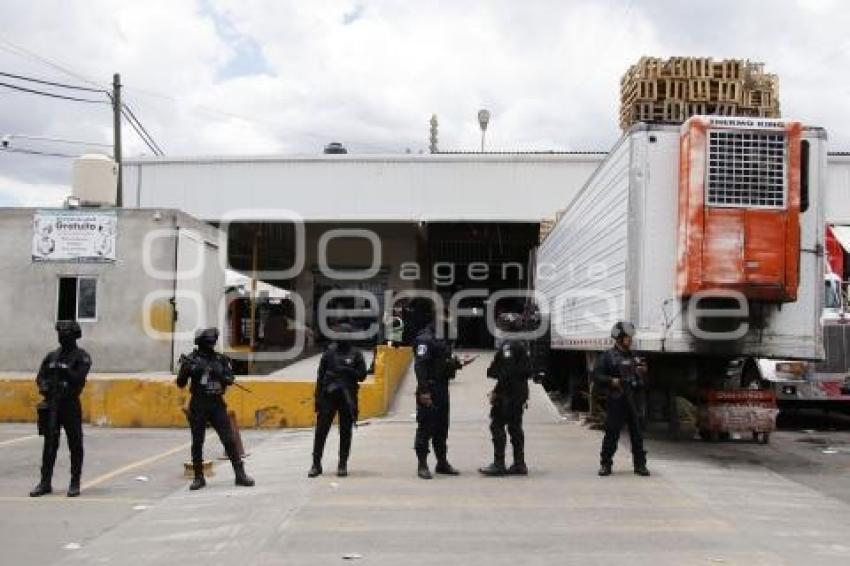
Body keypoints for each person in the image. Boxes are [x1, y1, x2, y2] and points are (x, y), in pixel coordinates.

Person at [177, 327, 254, 490]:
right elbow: (180, 383)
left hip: (216, 403)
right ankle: (199, 477)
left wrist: (223, 376)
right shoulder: (191, 360)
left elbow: (230, 378)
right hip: (198, 403)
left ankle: (240, 474)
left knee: (229, 439)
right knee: (197, 442)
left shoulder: (220, 359)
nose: (211, 344)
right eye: (209, 342)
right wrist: (189, 370)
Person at [30, 321, 91, 498]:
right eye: (60, 333)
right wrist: (45, 386)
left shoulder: (82, 356)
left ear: (75, 335)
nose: (62, 336)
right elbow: (40, 377)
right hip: (52, 404)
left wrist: (64, 371)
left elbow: (79, 378)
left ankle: (74, 482)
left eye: (66, 333)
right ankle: (45, 482)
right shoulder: (51, 356)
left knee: (75, 443)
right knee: (49, 443)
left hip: (70, 404)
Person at [308, 323, 367, 478]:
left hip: (347, 398)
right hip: (328, 397)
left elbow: (362, 375)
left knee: (345, 432)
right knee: (321, 431)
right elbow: (320, 378)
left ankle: (342, 464)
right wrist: (317, 399)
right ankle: (316, 464)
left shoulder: (356, 354)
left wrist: (347, 370)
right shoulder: (329, 353)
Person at [595, 321, 650, 477]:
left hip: (634, 400)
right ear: (619, 338)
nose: (630, 340)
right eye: (627, 337)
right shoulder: (607, 356)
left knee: (637, 434)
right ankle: (605, 464)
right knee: (612, 434)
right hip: (617, 399)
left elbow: (644, 381)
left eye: (631, 337)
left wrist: (643, 373)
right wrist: (612, 381)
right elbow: (597, 376)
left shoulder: (636, 357)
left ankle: (640, 465)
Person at [480, 313, 532, 476]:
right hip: (519, 391)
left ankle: (499, 463)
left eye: (501, 326)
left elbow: (507, 373)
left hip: (509, 394)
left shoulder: (509, 346)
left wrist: (497, 392)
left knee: (497, 425)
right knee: (515, 427)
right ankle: (519, 463)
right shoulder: (522, 344)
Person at [413, 316, 461, 479]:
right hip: (430, 388)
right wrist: (424, 391)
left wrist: (458, 363)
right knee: (426, 427)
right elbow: (420, 367)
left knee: (442, 427)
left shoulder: (440, 339)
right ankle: (422, 464)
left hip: (442, 387)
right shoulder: (424, 339)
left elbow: (441, 363)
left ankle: (442, 462)